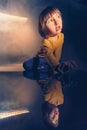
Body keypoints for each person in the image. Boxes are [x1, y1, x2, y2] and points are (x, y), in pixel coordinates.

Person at [23, 6, 77, 74]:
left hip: (53, 59)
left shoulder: (61, 36)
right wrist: (56, 67)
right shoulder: (46, 42)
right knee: (26, 65)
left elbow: (58, 50)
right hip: (42, 59)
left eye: (58, 17)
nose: (57, 22)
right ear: (44, 28)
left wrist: (57, 62)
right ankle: (47, 67)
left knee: (57, 63)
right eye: (51, 20)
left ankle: (52, 66)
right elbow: (48, 55)